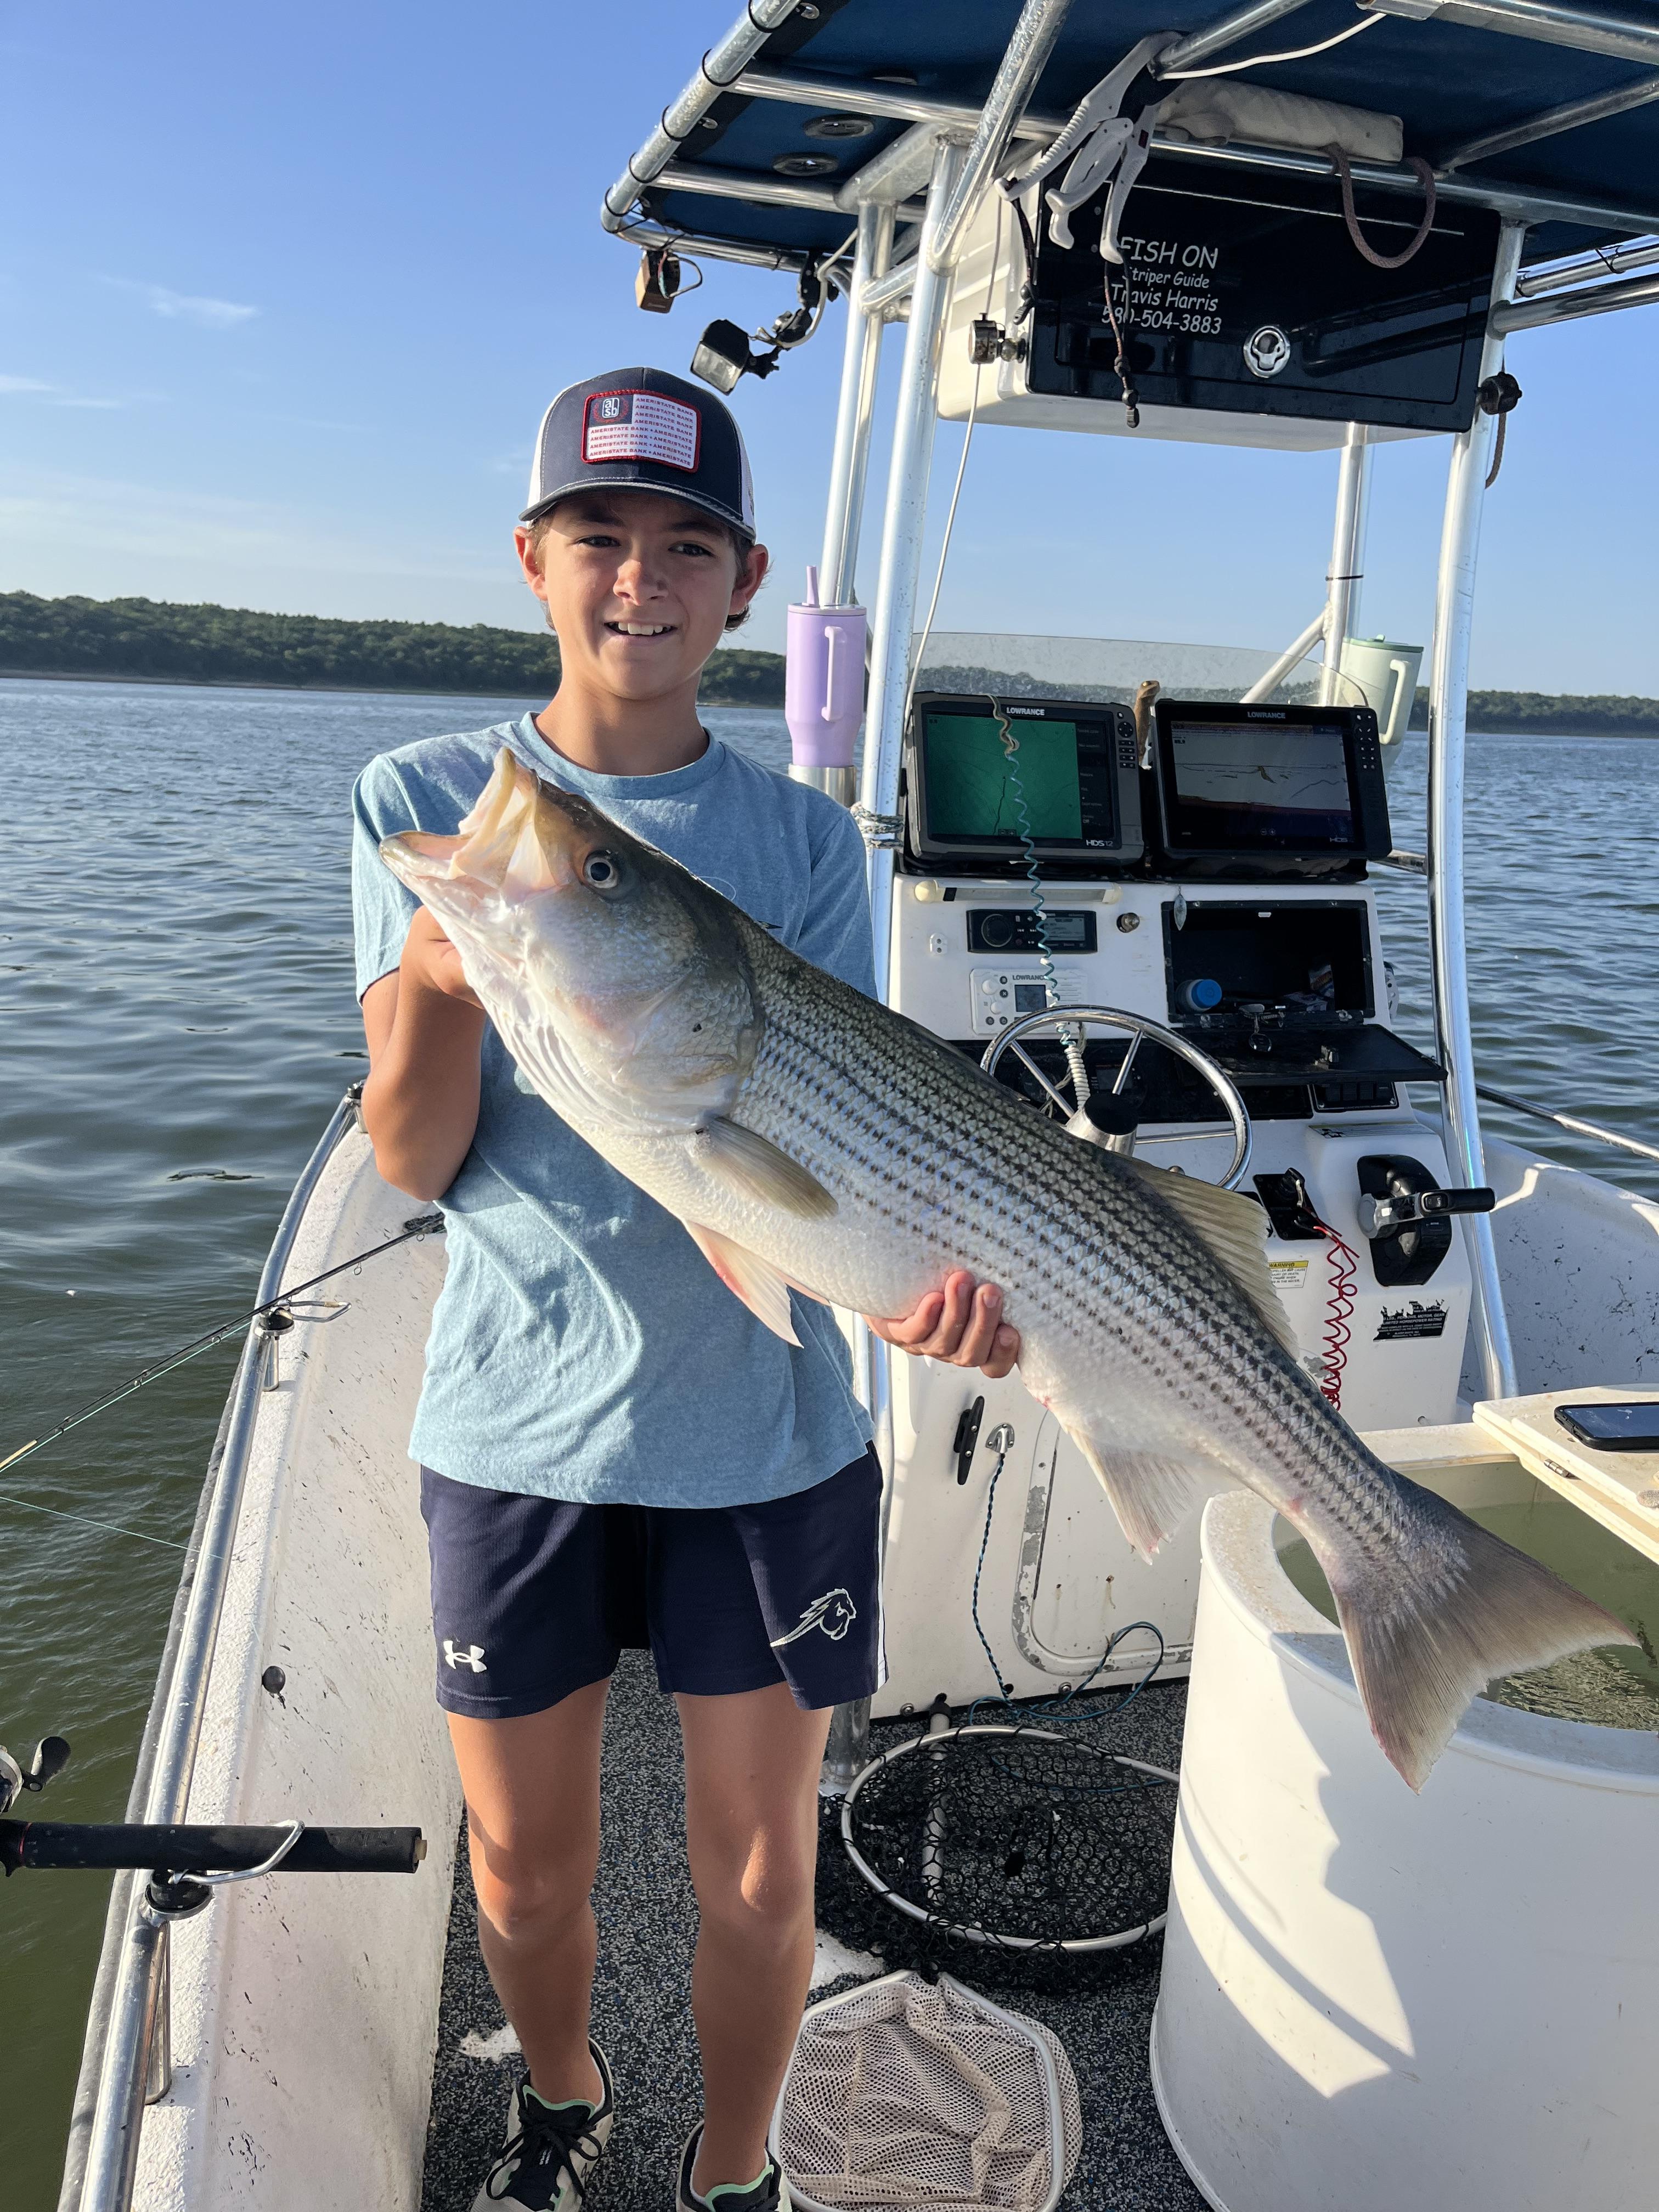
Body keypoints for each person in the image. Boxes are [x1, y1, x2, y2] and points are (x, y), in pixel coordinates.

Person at [351, 368, 1019, 2212]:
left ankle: (734, 2177)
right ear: (532, 561)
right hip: (522, 1425)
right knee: (522, 1874)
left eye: (684, 545)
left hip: (768, 1441)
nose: (638, 577)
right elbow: (411, 1157)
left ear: (745, 585)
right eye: (597, 536)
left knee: (760, 1875)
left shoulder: (803, 845)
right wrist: (443, 976)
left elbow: (843, 1155)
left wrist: (921, 1297)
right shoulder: (429, 803)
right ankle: (563, 2104)